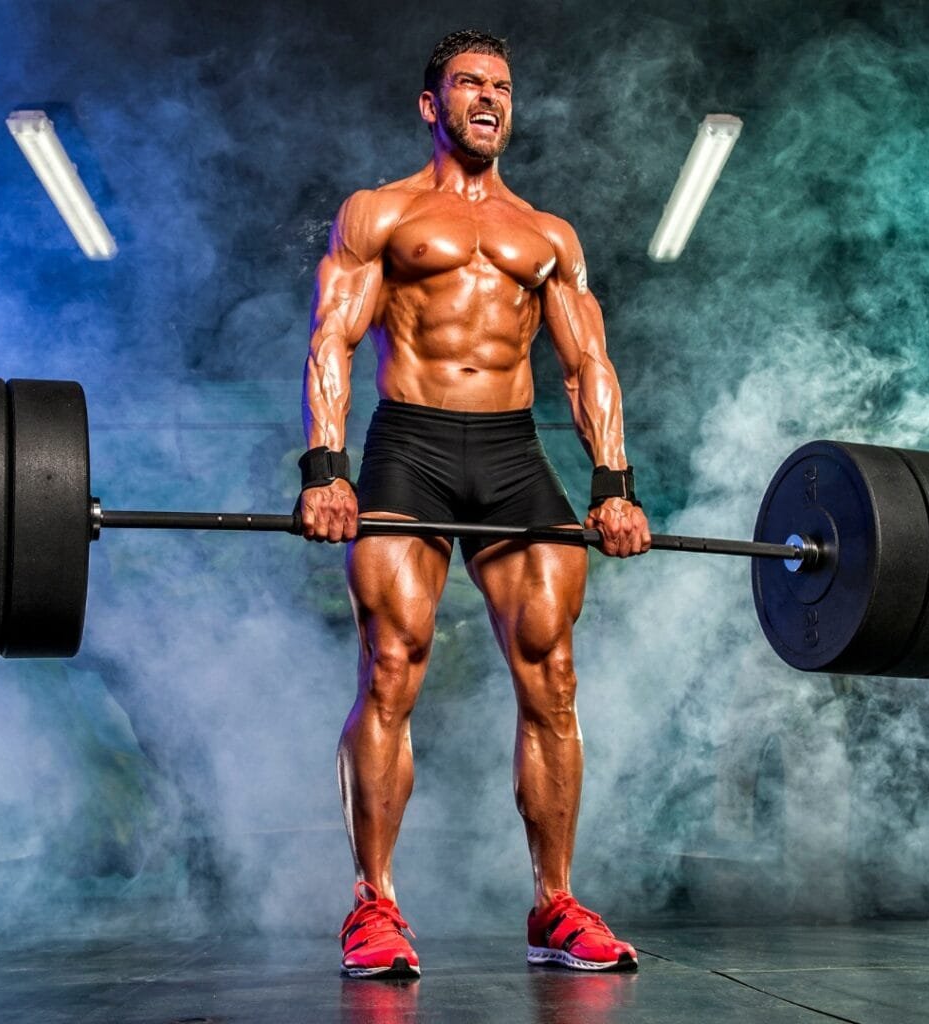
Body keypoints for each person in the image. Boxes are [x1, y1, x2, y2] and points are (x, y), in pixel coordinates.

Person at [298, 29, 651, 979]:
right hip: (408, 443)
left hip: (511, 451)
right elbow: (333, 339)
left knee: (555, 678)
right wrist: (325, 467)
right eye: (468, 84)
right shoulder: (380, 213)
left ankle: (555, 904)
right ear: (432, 104)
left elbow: (587, 368)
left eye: (500, 85)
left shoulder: (549, 235)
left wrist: (613, 487)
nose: (488, 97)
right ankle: (375, 903)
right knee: (391, 667)